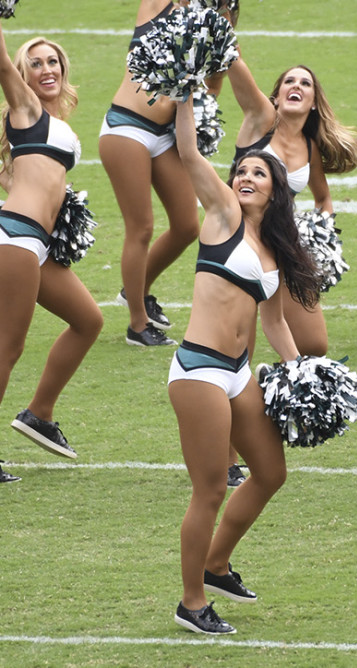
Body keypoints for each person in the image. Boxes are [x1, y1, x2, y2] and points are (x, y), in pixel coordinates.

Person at [168, 95, 322, 634]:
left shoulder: (273, 249)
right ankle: (190, 602)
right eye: (241, 170)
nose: (246, 176)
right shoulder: (222, 215)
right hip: (199, 371)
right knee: (210, 489)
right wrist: (185, 91)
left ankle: (215, 563)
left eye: (259, 171)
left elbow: (275, 322)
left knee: (271, 472)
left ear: (276, 189)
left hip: (237, 373)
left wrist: (302, 369)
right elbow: (188, 154)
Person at [0, 28, 103, 477]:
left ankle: (39, 413)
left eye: (53, 61)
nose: (47, 69)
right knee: (8, 346)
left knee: (88, 320)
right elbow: (2, 63)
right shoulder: (25, 111)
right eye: (36, 63)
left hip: (35, 244)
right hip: (17, 240)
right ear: (23, 76)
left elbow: (23, 180)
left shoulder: (52, 127)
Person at [225, 56, 357, 356]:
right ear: (276, 97)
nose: (296, 85)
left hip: (281, 240)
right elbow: (236, 68)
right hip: (237, 239)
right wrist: (223, 21)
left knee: (314, 347)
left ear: (313, 102)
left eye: (305, 83)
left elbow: (323, 198)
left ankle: (271, 382)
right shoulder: (261, 120)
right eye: (289, 81)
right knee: (237, 349)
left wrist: (322, 234)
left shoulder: (309, 146)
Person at [100, 0, 210, 346]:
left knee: (187, 225)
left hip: (165, 135)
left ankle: (137, 288)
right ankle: (137, 325)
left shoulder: (210, 24)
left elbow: (210, 90)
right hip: (126, 127)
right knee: (141, 227)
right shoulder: (155, 6)